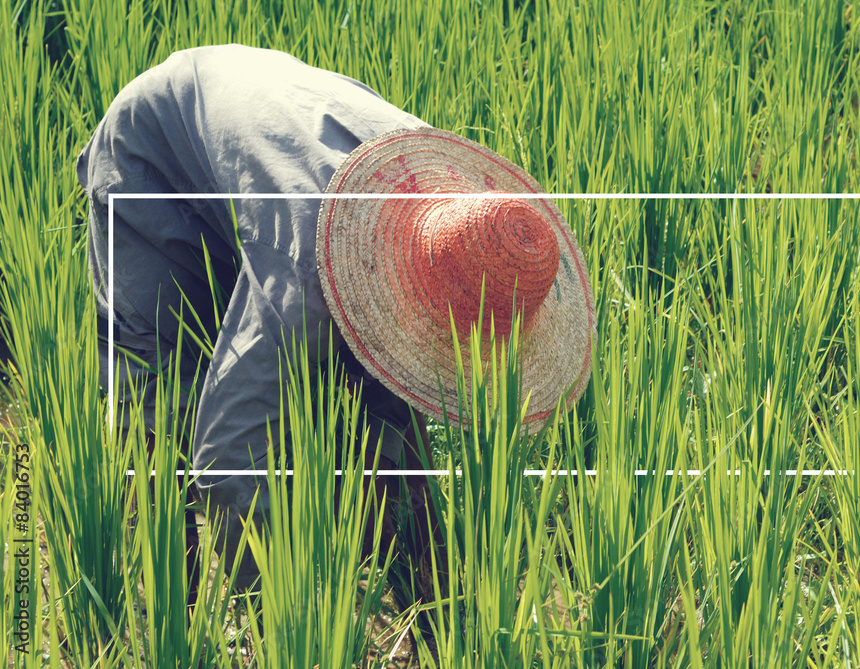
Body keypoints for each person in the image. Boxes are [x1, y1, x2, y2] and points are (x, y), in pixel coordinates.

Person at [77, 44, 595, 601]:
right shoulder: (308, 273)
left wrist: (435, 598)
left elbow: (391, 411)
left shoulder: (458, 208)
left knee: (379, 406)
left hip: (272, 133)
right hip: (156, 150)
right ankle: (167, 611)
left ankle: (431, 604)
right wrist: (289, 625)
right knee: (158, 391)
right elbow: (229, 459)